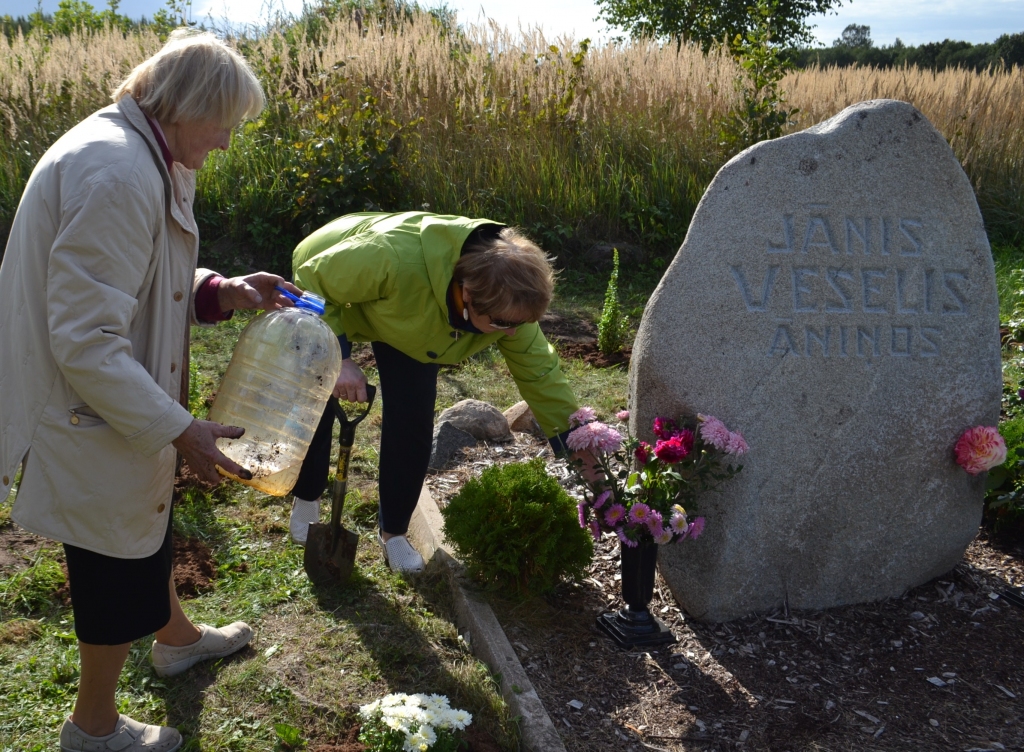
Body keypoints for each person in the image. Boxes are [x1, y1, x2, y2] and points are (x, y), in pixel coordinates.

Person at [0, 31, 303, 752]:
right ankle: (93, 727)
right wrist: (179, 428)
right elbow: (86, 340)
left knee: (144, 520)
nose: (227, 142)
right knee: (112, 561)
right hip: (82, 403)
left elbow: (134, 285)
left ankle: (176, 640)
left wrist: (219, 291)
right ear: (186, 104)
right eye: (222, 123)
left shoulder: (142, 152)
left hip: (105, 397)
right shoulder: (117, 173)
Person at [287, 212, 594, 573]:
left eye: (518, 325)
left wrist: (581, 446)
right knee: (319, 393)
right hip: (332, 282)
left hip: (408, 320)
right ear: (467, 294)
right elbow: (314, 278)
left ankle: (394, 535)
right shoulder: (393, 256)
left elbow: (542, 376)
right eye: (501, 325)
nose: (510, 333)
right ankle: (307, 497)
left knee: (412, 420)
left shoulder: (509, 312)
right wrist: (339, 356)